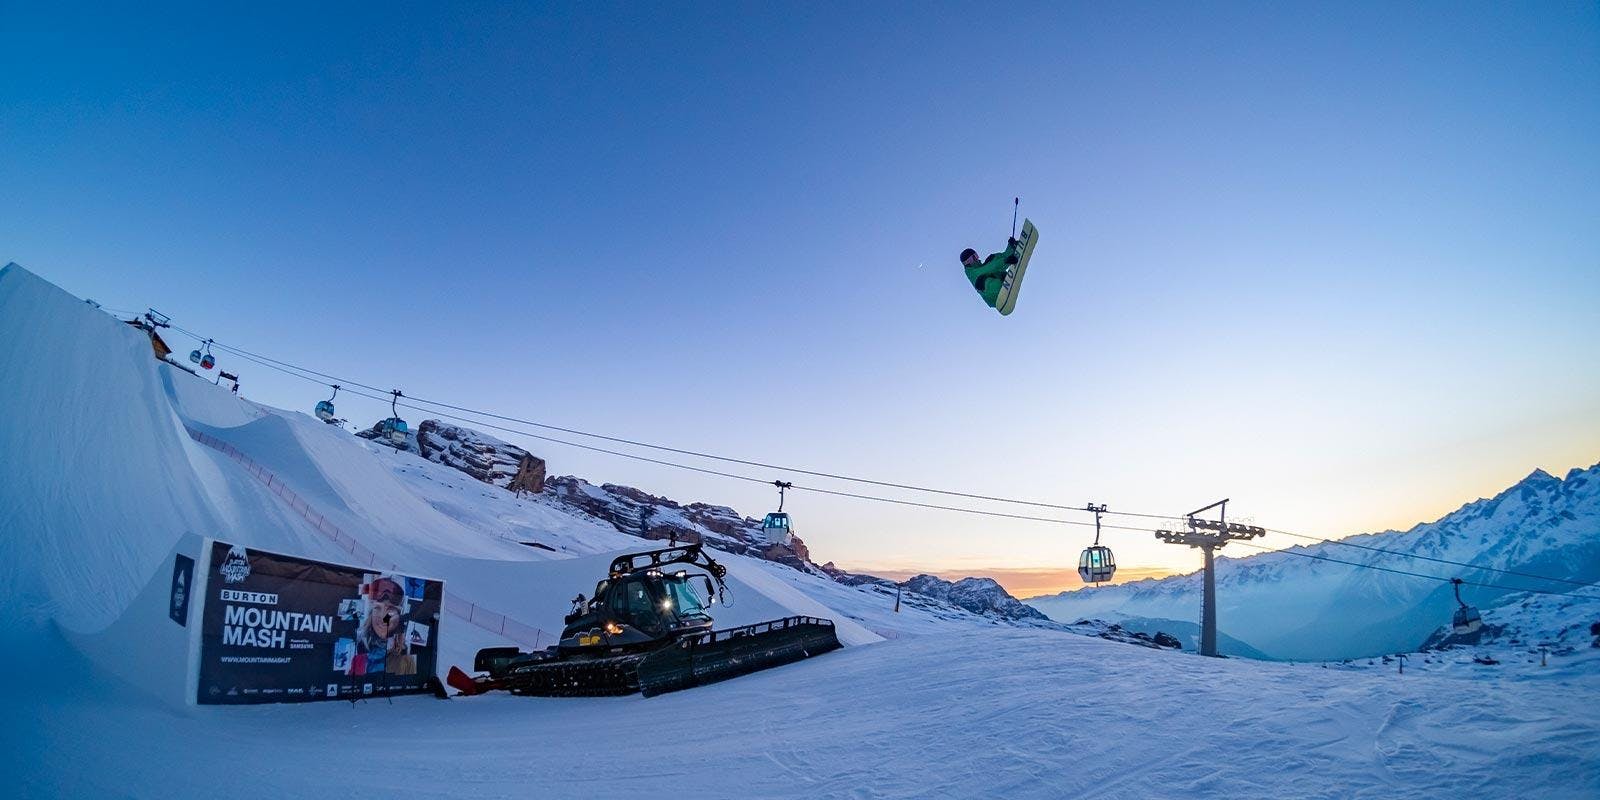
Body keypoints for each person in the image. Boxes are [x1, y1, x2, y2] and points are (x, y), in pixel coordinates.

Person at [960, 237, 1020, 309]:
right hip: (993, 297)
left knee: (991, 258)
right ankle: (1001, 287)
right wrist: (1005, 261)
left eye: (976, 255)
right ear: (967, 262)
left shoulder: (982, 266)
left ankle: (1013, 249)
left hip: (1001, 282)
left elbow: (995, 262)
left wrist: (1010, 246)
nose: (977, 258)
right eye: (973, 257)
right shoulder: (970, 272)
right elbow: (988, 268)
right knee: (982, 280)